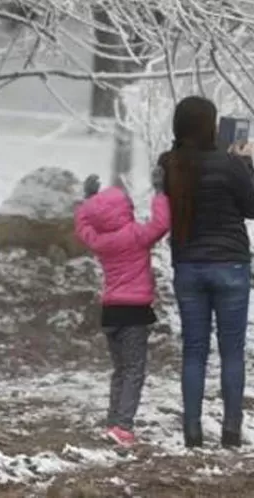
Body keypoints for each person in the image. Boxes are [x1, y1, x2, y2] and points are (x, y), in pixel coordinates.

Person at [156, 95, 254, 449]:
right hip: (230, 265)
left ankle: (192, 431)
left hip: (188, 265)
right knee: (232, 352)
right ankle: (231, 431)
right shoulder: (230, 164)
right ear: (210, 126)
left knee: (194, 351)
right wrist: (246, 164)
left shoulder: (169, 164)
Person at [73, 181, 173, 447]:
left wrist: (88, 201)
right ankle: (124, 427)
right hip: (134, 313)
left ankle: (112, 422)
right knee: (133, 371)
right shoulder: (136, 235)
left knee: (119, 370)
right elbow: (162, 224)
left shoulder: (100, 241)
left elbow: (83, 228)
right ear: (125, 210)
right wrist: (160, 192)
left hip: (110, 312)